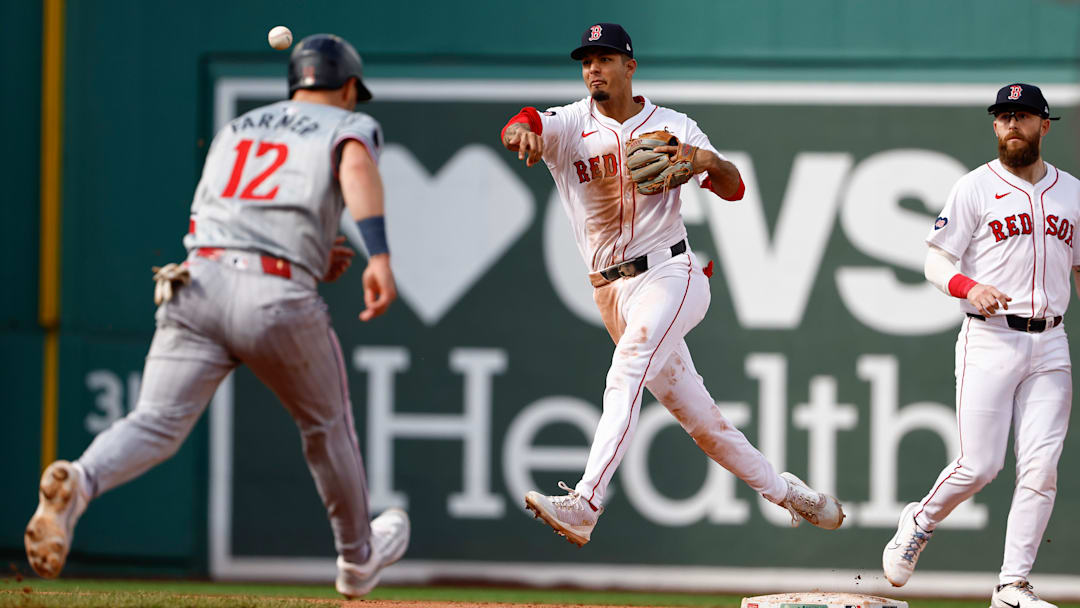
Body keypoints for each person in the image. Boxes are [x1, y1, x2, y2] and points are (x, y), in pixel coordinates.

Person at [24, 33, 409, 599]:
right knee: (327, 428)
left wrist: (306, 249)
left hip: (196, 281)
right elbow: (353, 166)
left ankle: (79, 481)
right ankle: (357, 562)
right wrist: (377, 252)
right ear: (349, 88)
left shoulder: (239, 127)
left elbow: (226, 209)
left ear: (294, 85)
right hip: (273, 298)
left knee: (154, 421)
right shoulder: (346, 125)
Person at [499, 22, 844, 547]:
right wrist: (519, 131)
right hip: (610, 293)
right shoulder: (569, 124)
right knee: (704, 424)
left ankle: (585, 503)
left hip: (671, 272)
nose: (593, 67)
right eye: (587, 60)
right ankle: (791, 494)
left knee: (628, 368)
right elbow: (523, 122)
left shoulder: (673, 125)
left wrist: (703, 159)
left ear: (630, 66)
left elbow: (733, 188)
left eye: (606, 58)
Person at [882, 83, 1078, 608]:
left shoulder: (1073, 193)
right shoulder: (974, 188)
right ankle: (920, 519)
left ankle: (1011, 586)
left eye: (1024, 116)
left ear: (1045, 126)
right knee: (981, 464)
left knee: (1040, 469)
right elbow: (934, 261)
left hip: (1052, 341)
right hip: (990, 338)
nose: (1012, 124)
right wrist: (970, 287)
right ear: (994, 127)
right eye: (1003, 116)